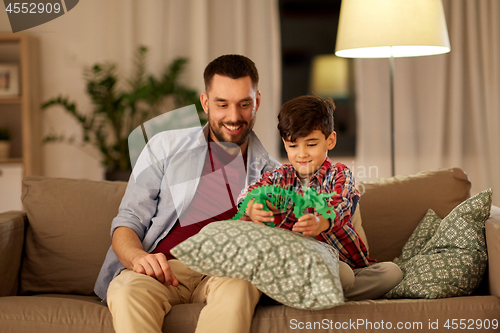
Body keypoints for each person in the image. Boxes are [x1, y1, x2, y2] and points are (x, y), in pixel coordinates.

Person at [94, 54, 280, 333]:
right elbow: (128, 221)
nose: (234, 116)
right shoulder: (164, 147)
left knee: (242, 285)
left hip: (226, 274)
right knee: (126, 290)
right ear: (205, 102)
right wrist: (137, 258)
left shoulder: (274, 175)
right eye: (222, 104)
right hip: (161, 270)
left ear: (258, 102)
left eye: (244, 104)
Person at [239, 95, 403, 301]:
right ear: (284, 144)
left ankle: (296, 296)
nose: (302, 154)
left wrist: (322, 221)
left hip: (341, 264)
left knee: (390, 272)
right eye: (293, 146)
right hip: (300, 264)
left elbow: (341, 203)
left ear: (330, 140)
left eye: (311, 144)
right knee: (340, 275)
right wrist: (252, 206)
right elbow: (250, 191)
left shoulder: (339, 174)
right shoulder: (280, 176)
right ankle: (310, 292)